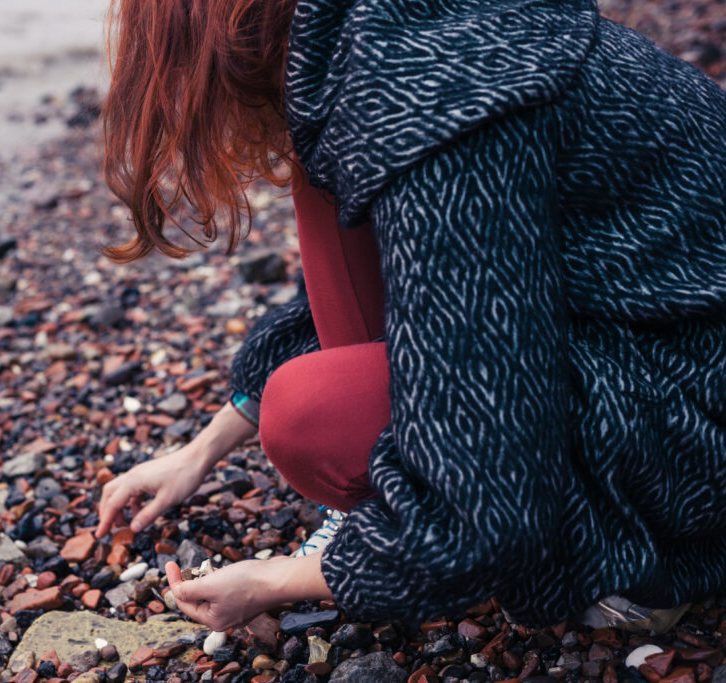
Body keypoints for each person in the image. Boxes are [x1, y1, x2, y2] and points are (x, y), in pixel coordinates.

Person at [94, 0, 726, 634]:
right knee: (322, 168)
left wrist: (283, 578)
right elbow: (432, 283)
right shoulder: (399, 33)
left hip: (699, 420)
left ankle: (641, 563)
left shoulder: (441, 93)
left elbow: (490, 505)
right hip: (658, 330)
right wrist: (200, 451)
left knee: (311, 414)